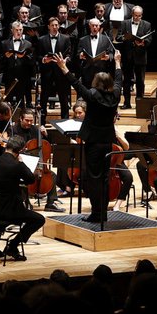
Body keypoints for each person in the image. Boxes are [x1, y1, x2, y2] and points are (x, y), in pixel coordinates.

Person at [57, 48, 122, 224]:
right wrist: (117, 62)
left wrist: (64, 68)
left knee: (94, 179)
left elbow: (77, 85)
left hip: (93, 142)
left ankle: (97, 213)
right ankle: (103, 214)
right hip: (107, 141)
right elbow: (119, 80)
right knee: (105, 178)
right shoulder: (115, 95)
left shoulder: (92, 95)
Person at [0, 136, 45, 260]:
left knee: (4, 207)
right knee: (39, 219)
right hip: (10, 211)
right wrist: (21, 163)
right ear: (20, 150)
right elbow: (31, 180)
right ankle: (13, 246)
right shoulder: (17, 165)